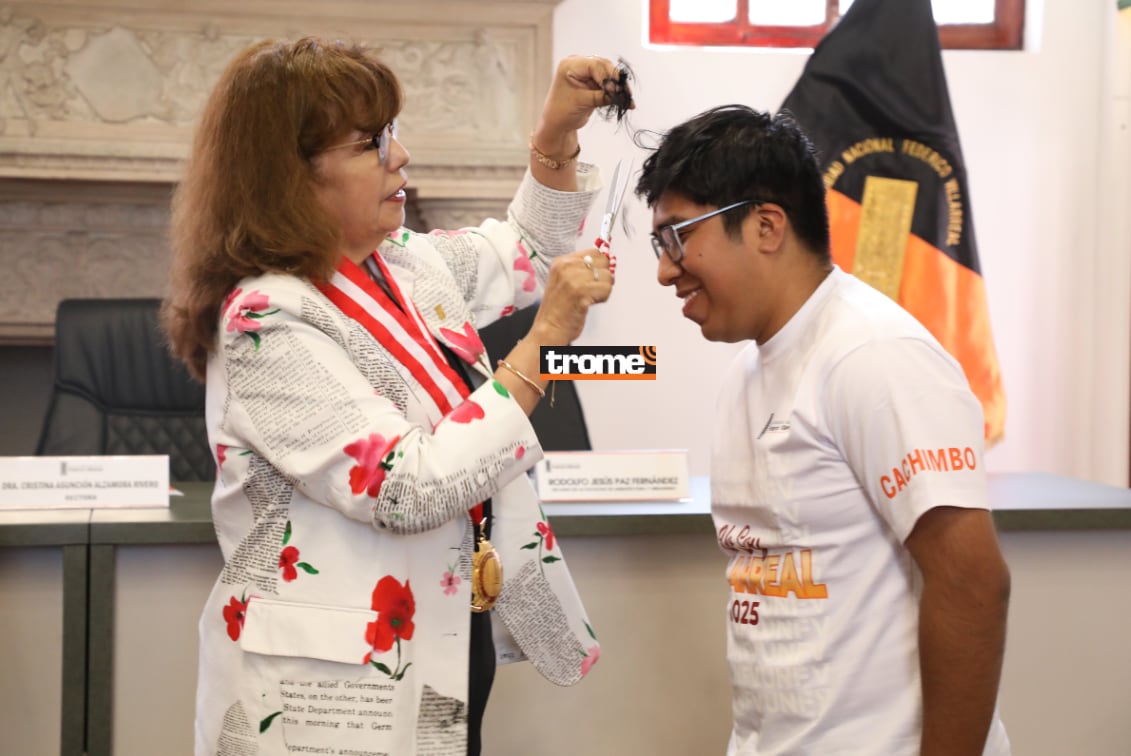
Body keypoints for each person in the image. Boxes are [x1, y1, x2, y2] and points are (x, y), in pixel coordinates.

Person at [162, 37, 619, 756]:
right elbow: (402, 487)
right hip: (331, 690)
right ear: (291, 177)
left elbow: (529, 248)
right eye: (370, 143)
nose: (399, 156)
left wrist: (555, 136)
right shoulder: (265, 318)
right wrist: (546, 337)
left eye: (393, 133)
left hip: (440, 634)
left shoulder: (403, 262)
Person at [635, 104, 1011, 756]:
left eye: (676, 237)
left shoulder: (873, 355)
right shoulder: (748, 370)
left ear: (765, 226)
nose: (665, 270)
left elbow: (971, 584)